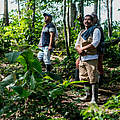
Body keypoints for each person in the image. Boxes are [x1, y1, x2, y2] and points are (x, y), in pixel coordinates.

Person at [75, 14, 101, 103]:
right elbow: (77, 44)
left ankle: (94, 98)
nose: (86, 21)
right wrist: (79, 49)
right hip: (82, 58)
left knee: (93, 78)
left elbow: (95, 43)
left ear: (93, 21)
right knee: (84, 77)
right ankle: (87, 96)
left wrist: (83, 49)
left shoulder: (95, 30)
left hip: (92, 58)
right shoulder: (82, 32)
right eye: (85, 19)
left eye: (89, 19)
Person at [91, 12, 105, 87]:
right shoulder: (90, 27)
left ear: (96, 19)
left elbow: (98, 41)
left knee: (99, 65)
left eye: (94, 18)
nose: (93, 19)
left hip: (99, 49)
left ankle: (100, 83)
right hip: (91, 50)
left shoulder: (98, 28)